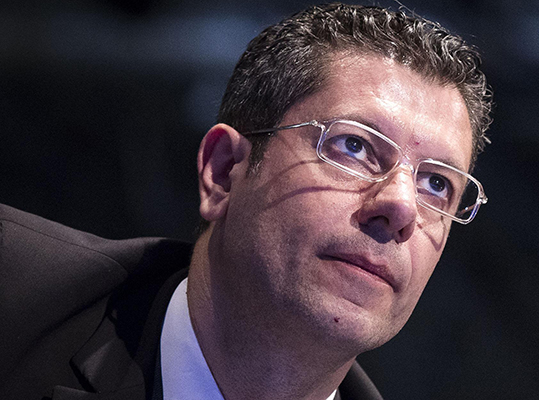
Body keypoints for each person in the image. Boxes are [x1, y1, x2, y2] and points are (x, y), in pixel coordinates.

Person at [0, 3, 491, 399]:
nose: (403, 205)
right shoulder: (15, 296)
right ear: (222, 173)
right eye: (355, 146)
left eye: (436, 184)